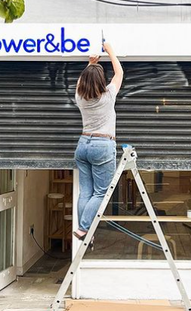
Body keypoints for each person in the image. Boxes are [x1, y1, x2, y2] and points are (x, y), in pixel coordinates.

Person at [73, 42, 123, 241]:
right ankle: (85, 228)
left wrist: (89, 64)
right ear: (102, 80)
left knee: (86, 191)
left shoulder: (80, 97)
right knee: (101, 192)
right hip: (102, 146)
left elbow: (80, 83)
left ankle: (83, 230)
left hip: (83, 144)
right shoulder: (108, 95)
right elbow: (119, 73)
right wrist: (110, 50)